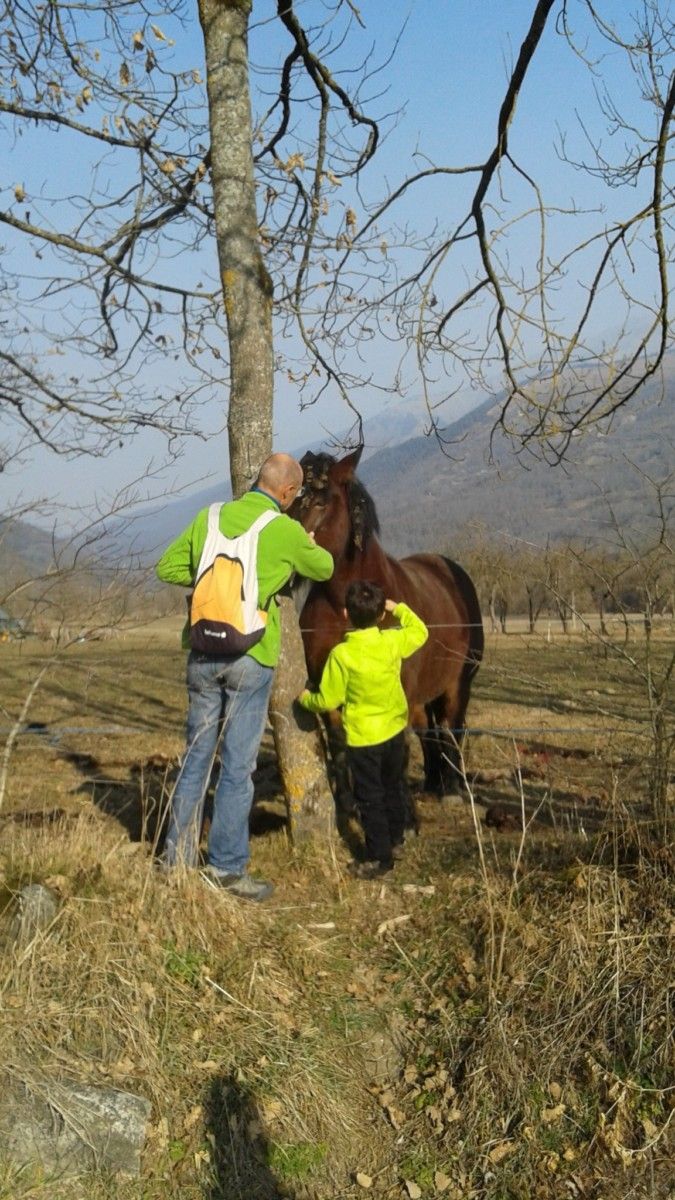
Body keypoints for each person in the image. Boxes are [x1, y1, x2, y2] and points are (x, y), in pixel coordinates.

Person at [156, 453, 334, 901]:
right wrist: (297, 550)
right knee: (238, 766)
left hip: (201, 651)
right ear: (289, 493)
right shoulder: (285, 530)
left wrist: (209, 583)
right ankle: (226, 870)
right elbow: (325, 569)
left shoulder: (210, 516)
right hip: (251, 655)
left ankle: (174, 861)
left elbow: (167, 567)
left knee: (195, 757)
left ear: (257, 480)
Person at [297, 580, 428, 879]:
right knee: (394, 786)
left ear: (346, 614)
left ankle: (379, 859)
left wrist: (307, 699)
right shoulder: (391, 641)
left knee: (370, 798)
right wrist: (400, 609)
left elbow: (329, 699)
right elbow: (421, 631)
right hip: (395, 730)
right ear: (382, 615)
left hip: (363, 738)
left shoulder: (342, 656)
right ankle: (396, 839)